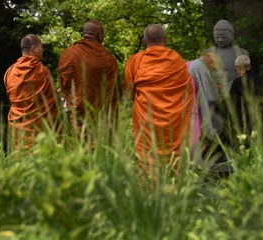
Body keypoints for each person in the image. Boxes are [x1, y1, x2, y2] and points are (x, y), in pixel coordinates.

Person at [124, 24, 193, 175]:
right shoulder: (176, 59)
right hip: (173, 123)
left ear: (144, 41)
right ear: (165, 39)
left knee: (148, 162)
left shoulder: (135, 61)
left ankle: (149, 193)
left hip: (146, 122)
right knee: (173, 164)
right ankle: (174, 191)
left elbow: (128, 93)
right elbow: (187, 91)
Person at [58, 20, 120, 132]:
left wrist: (74, 100)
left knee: (81, 144)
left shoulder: (68, 54)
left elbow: (64, 84)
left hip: (78, 112)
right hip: (102, 117)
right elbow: (114, 92)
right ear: (100, 35)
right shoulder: (108, 59)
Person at [4, 34, 58, 150]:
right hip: (39, 128)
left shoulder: (10, 72)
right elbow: (53, 101)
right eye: (41, 47)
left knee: (23, 161)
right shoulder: (42, 72)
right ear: (34, 48)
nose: (42, 50)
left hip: (19, 126)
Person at [208, 19, 249, 92]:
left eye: (224, 37)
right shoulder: (207, 53)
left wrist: (226, 87)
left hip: (233, 91)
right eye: (217, 37)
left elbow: (244, 76)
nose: (220, 40)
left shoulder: (242, 53)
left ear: (231, 35)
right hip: (212, 92)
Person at [229, 55, 263, 135]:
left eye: (235, 69)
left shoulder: (237, 82)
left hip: (243, 122)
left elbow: (231, 103)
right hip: (260, 119)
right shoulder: (261, 80)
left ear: (238, 68)